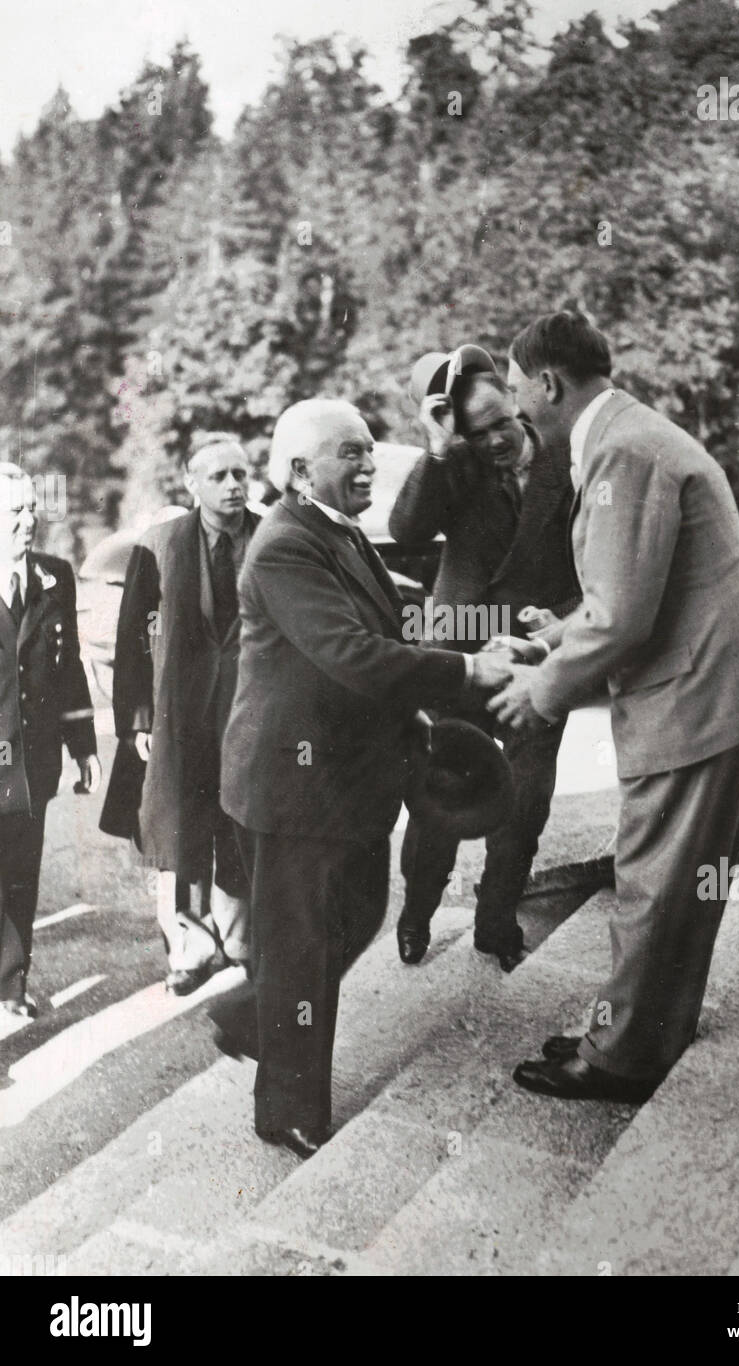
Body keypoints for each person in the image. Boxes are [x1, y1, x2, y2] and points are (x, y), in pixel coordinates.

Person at [490, 311, 739, 1103]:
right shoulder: (631, 432)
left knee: (655, 881)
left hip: (694, 700)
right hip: (715, 691)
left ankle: (621, 1058)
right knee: (681, 879)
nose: (517, 409)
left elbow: (623, 616)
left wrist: (540, 689)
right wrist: (562, 634)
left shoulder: (622, 449)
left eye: (519, 391)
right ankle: (645, 1031)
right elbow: (634, 590)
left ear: (548, 384)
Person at [216, 399, 513, 1159]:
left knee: (353, 915)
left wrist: (490, 631)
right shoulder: (284, 546)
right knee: (307, 944)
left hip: (344, 781)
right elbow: (352, 654)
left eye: (369, 450)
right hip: (292, 788)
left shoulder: (336, 533)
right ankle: (285, 1109)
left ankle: (254, 1014)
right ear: (297, 471)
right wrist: (471, 671)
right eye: (349, 453)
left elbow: (396, 619)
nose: (369, 465)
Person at [389, 345, 579, 971]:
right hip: (459, 653)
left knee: (525, 801)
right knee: (442, 793)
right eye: (478, 431)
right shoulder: (457, 466)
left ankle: (496, 918)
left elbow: (596, 564)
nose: (495, 440)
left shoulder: (570, 463)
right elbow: (409, 528)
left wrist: (558, 627)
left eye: (502, 423)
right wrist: (440, 448)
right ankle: (417, 912)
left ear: (518, 404)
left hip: (534, 655)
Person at [100, 434, 258, 995]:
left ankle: (239, 942)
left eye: (241, 474)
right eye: (219, 476)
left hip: (249, 712)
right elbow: (131, 637)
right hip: (180, 715)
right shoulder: (162, 543)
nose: (234, 485)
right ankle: (190, 950)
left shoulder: (271, 538)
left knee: (243, 822)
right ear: (192, 483)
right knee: (179, 829)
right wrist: (137, 719)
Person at [0, 462, 101, 1023]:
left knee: (19, 870)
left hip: (32, 761)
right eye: (13, 511)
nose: (28, 519)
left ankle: (11, 987)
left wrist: (84, 745)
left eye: (31, 507)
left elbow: (69, 671)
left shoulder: (55, 576)